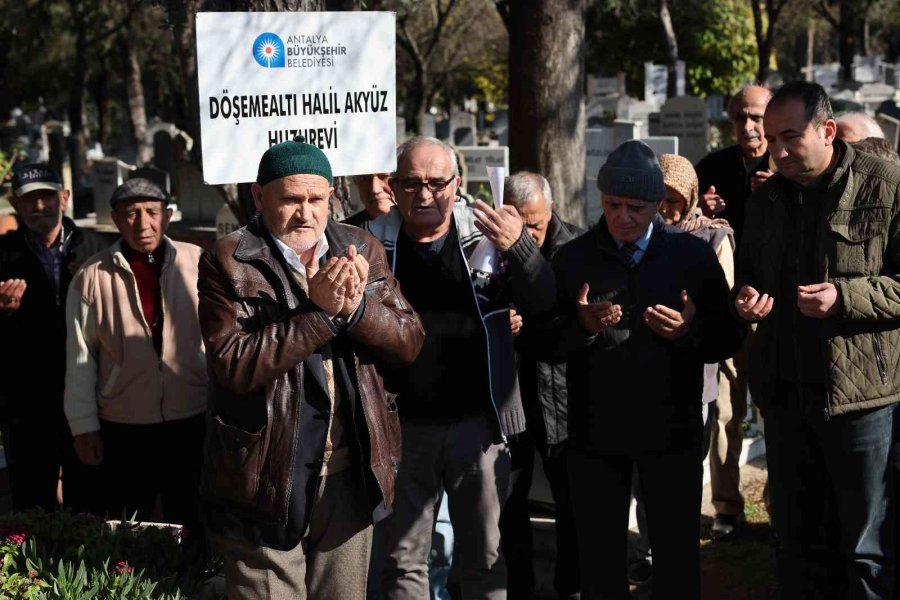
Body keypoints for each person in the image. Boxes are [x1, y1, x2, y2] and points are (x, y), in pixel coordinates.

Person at [197, 135, 424, 599]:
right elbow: (233, 366)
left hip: (349, 472)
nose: (306, 214)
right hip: (263, 478)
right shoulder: (228, 259)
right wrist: (319, 317)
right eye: (291, 199)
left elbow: (409, 341)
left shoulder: (360, 246)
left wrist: (357, 310)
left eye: (317, 199)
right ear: (259, 198)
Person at [535, 140, 743, 599]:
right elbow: (544, 343)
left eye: (637, 206)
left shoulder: (689, 256)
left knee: (675, 558)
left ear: (657, 205)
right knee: (601, 561)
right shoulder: (574, 258)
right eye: (613, 205)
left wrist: (688, 332)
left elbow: (729, 337)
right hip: (596, 436)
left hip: (671, 430)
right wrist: (583, 327)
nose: (623, 217)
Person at [366, 136, 555, 600]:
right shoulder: (369, 242)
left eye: (436, 182)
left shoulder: (487, 235)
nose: (425, 194)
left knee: (485, 559)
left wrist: (521, 251)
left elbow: (547, 301)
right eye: (411, 183)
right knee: (401, 560)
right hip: (401, 426)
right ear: (392, 186)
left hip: (479, 426)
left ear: (458, 184)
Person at [735, 80, 900, 599]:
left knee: (865, 550)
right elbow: (750, 274)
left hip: (861, 403)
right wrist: (746, 298)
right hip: (785, 397)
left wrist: (845, 299)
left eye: (790, 138)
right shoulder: (765, 200)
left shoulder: (885, 185)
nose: (777, 151)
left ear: (827, 130)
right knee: (799, 543)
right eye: (770, 138)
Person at [64, 177, 207, 533]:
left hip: (190, 416)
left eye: (151, 212)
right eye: (131, 214)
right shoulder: (92, 276)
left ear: (168, 215)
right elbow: (81, 355)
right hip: (124, 423)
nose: (143, 224)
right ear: (115, 219)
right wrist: (83, 426)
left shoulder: (198, 262)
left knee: (192, 516)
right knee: (131, 523)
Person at [628, 153, 737, 583]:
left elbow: (723, 306)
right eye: (659, 199)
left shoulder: (712, 238)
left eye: (675, 200)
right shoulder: (639, 237)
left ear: (691, 197)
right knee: (642, 474)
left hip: (694, 377)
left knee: (681, 474)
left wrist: (693, 321)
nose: (666, 210)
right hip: (643, 374)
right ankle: (648, 547)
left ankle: (677, 552)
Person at [0, 163, 107, 513]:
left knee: (89, 499)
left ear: (65, 197)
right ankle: (32, 567)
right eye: (29, 200)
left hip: (90, 396)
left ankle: (86, 568)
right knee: (32, 501)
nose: (39, 207)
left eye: (47, 197)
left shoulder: (99, 249)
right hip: (26, 400)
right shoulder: (3, 254)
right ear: (16, 204)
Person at [694, 83, 773, 540]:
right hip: (726, 308)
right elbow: (683, 220)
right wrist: (701, 212)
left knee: (774, 409)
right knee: (725, 410)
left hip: (775, 308)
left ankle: (780, 503)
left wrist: (778, 191)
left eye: (758, 117)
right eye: (740, 118)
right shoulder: (715, 168)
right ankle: (726, 506)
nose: (748, 126)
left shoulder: (786, 166)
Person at [500, 171, 583, 600]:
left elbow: (565, 317)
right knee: (510, 503)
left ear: (550, 210)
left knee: (570, 503)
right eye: (518, 224)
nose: (526, 235)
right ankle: (520, 587)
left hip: (559, 396)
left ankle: (569, 587)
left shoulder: (574, 248)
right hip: (512, 396)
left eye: (534, 224)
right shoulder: (491, 247)